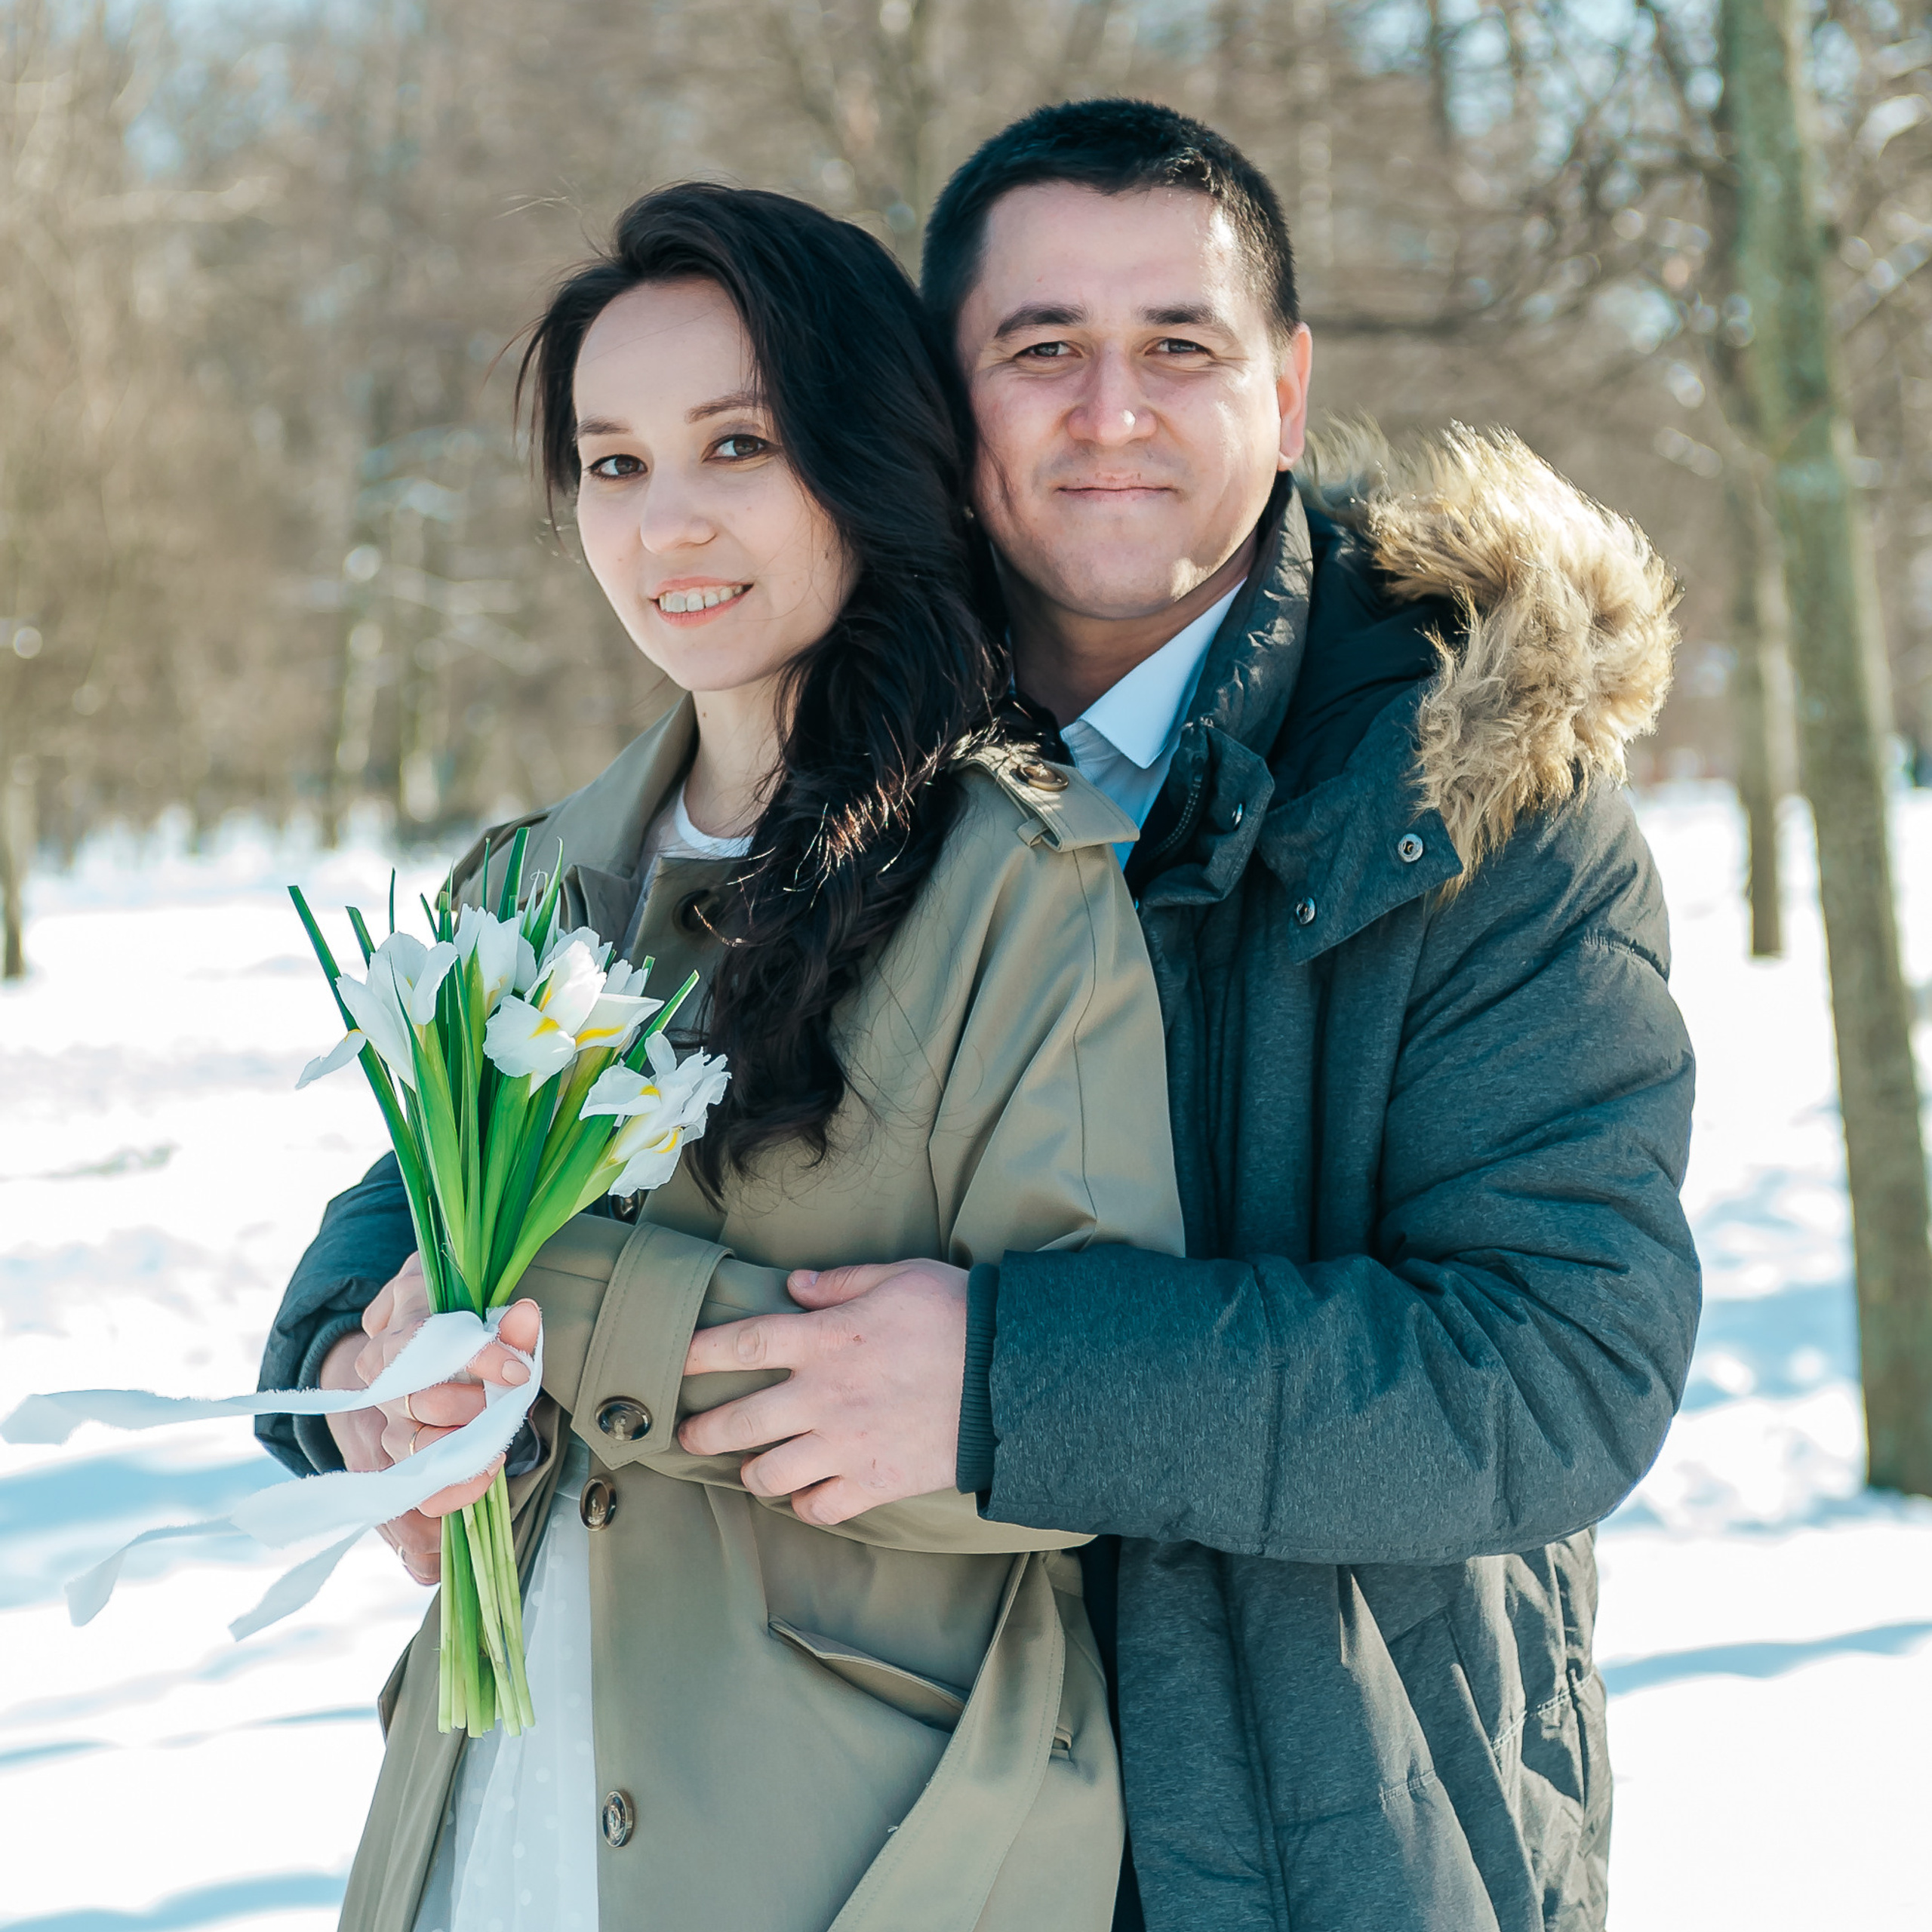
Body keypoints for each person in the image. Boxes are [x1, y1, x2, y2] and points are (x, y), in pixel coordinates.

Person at [268, 103, 1701, 1932]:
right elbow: (499, 1161)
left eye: (1178, 345)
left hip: (1314, 1815)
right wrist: (353, 1357)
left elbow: (1550, 1366)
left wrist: (1013, 1381)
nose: (1111, 411)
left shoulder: (1473, 795)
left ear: (1285, 380)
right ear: (938, 409)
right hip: (856, 1820)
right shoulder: (826, 754)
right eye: (1040, 351)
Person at [268, 180, 1189, 1932]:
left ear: (857, 454)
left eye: (735, 444)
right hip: (497, 1788)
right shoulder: (527, 885)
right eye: (611, 465)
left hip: (846, 1831)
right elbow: (387, 1247)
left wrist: (553, 1305)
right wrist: (373, 1378)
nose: (664, 523)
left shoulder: (1017, 884)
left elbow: (1056, 1438)